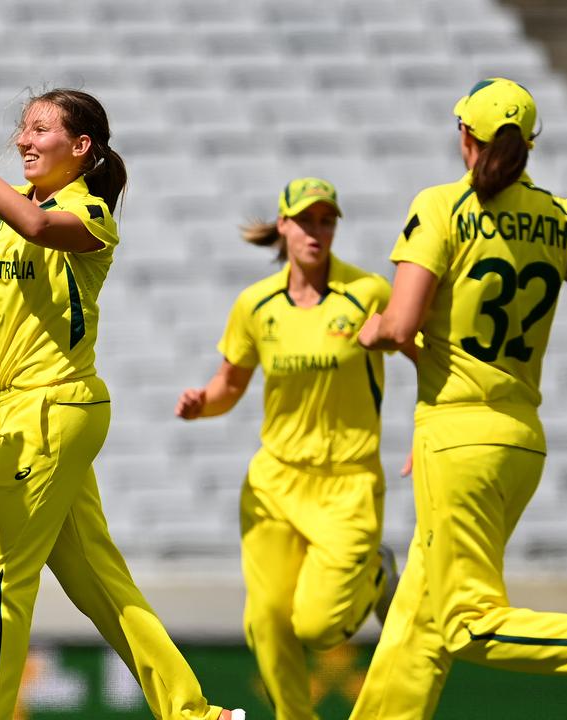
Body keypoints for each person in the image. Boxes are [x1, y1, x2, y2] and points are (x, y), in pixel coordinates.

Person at [0, 87, 244, 720]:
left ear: (80, 147)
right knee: (98, 581)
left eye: (39, 129)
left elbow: (37, 226)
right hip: (26, 414)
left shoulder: (90, 211)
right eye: (22, 128)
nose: (23, 140)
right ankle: (193, 713)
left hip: (51, 407)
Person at [349, 77, 567, 720]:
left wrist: (372, 329)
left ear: (465, 137)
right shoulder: (565, 219)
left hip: (457, 438)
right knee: (419, 620)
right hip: (519, 442)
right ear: (529, 144)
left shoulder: (440, 207)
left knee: (465, 624)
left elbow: (399, 326)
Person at [174, 178, 404, 720]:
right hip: (275, 482)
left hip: (347, 482)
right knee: (266, 620)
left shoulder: (367, 293)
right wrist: (200, 403)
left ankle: (376, 572)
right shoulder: (256, 304)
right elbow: (228, 386)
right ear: (283, 226)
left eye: (327, 221)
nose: (317, 232)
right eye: (306, 221)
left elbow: (421, 353)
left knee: (319, 627)